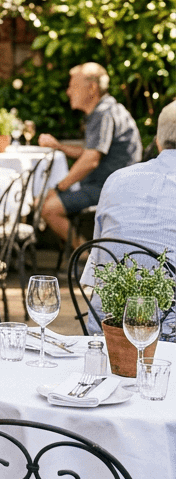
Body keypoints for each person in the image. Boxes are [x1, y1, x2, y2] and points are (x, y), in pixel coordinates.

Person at [81, 100, 176, 339]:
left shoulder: (117, 179)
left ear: (157, 141)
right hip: (169, 332)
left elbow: (99, 258)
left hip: (108, 328)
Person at [38, 62, 142, 243]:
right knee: (45, 200)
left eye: (73, 86)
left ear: (92, 88)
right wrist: (60, 147)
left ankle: (85, 258)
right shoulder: (107, 108)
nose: (68, 92)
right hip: (114, 185)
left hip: (108, 189)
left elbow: (91, 160)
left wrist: (58, 188)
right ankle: (83, 254)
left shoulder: (103, 113)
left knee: (48, 208)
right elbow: (90, 152)